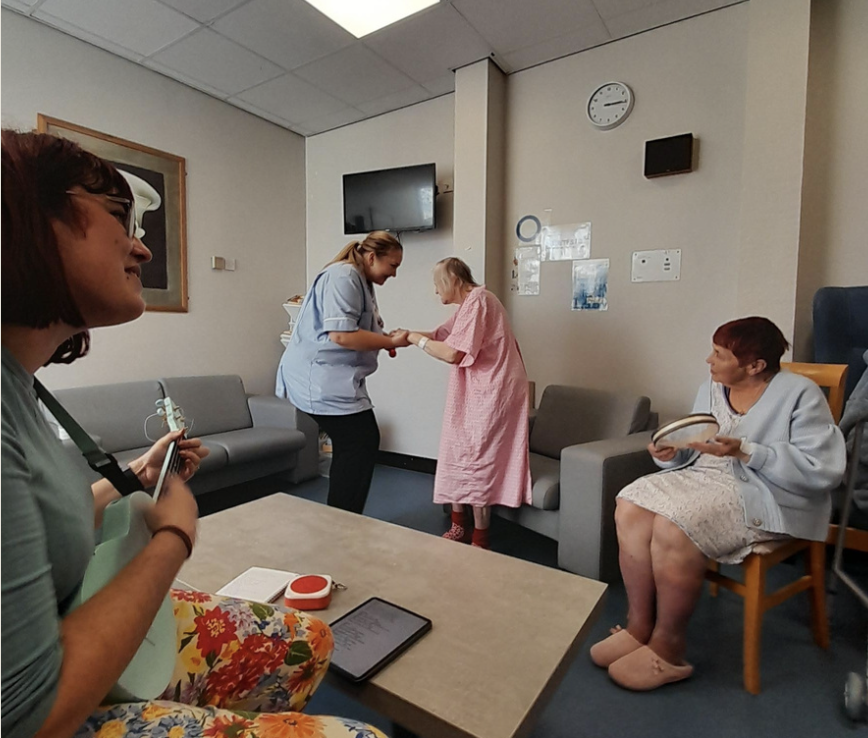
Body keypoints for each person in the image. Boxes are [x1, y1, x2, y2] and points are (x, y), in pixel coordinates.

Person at [1, 130, 385, 738]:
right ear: (28, 220)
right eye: (119, 217)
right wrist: (174, 535)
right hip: (46, 710)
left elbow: (40, 521)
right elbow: (28, 714)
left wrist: (134, 478)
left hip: (64, 617)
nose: (141, 248)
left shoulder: (21, 385)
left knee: (310, 637)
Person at [590, 316, 846, 691]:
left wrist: (747, 451)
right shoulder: (712, 387)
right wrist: (670, 453)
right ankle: (639, 626)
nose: (709, 360)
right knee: (630, 503)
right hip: (703, 479)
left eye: (719, 354)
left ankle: (669, 646)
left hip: (766, 493)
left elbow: (822, 470)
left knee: (675, 524)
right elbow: (695, 446)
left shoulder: (800, 394)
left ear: (755, 366)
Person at [276, 231, 409, 515]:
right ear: (371, 257)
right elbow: (341, 335)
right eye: (393, 265)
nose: (394, 273)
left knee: (360, 443)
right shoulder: (343, 276)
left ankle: (345, 518)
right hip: (317, 378)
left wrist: (385, 340)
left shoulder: (359, 279)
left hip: (335, 378)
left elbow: (354, 329)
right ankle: (341, 521)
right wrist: (389, 342)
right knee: (359, 442)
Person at [404, 257, 532, 549]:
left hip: (493, 391)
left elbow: (453, 354)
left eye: (438, 284)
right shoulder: (468, 305)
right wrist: (404, 336)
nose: (435, 291)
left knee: (477, 457)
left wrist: (414, 340)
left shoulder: (480, 301)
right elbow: (440, 335)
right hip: (475, 390)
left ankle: (480, 537)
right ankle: (459, 525)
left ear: (453, 280)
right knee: (455, 449)